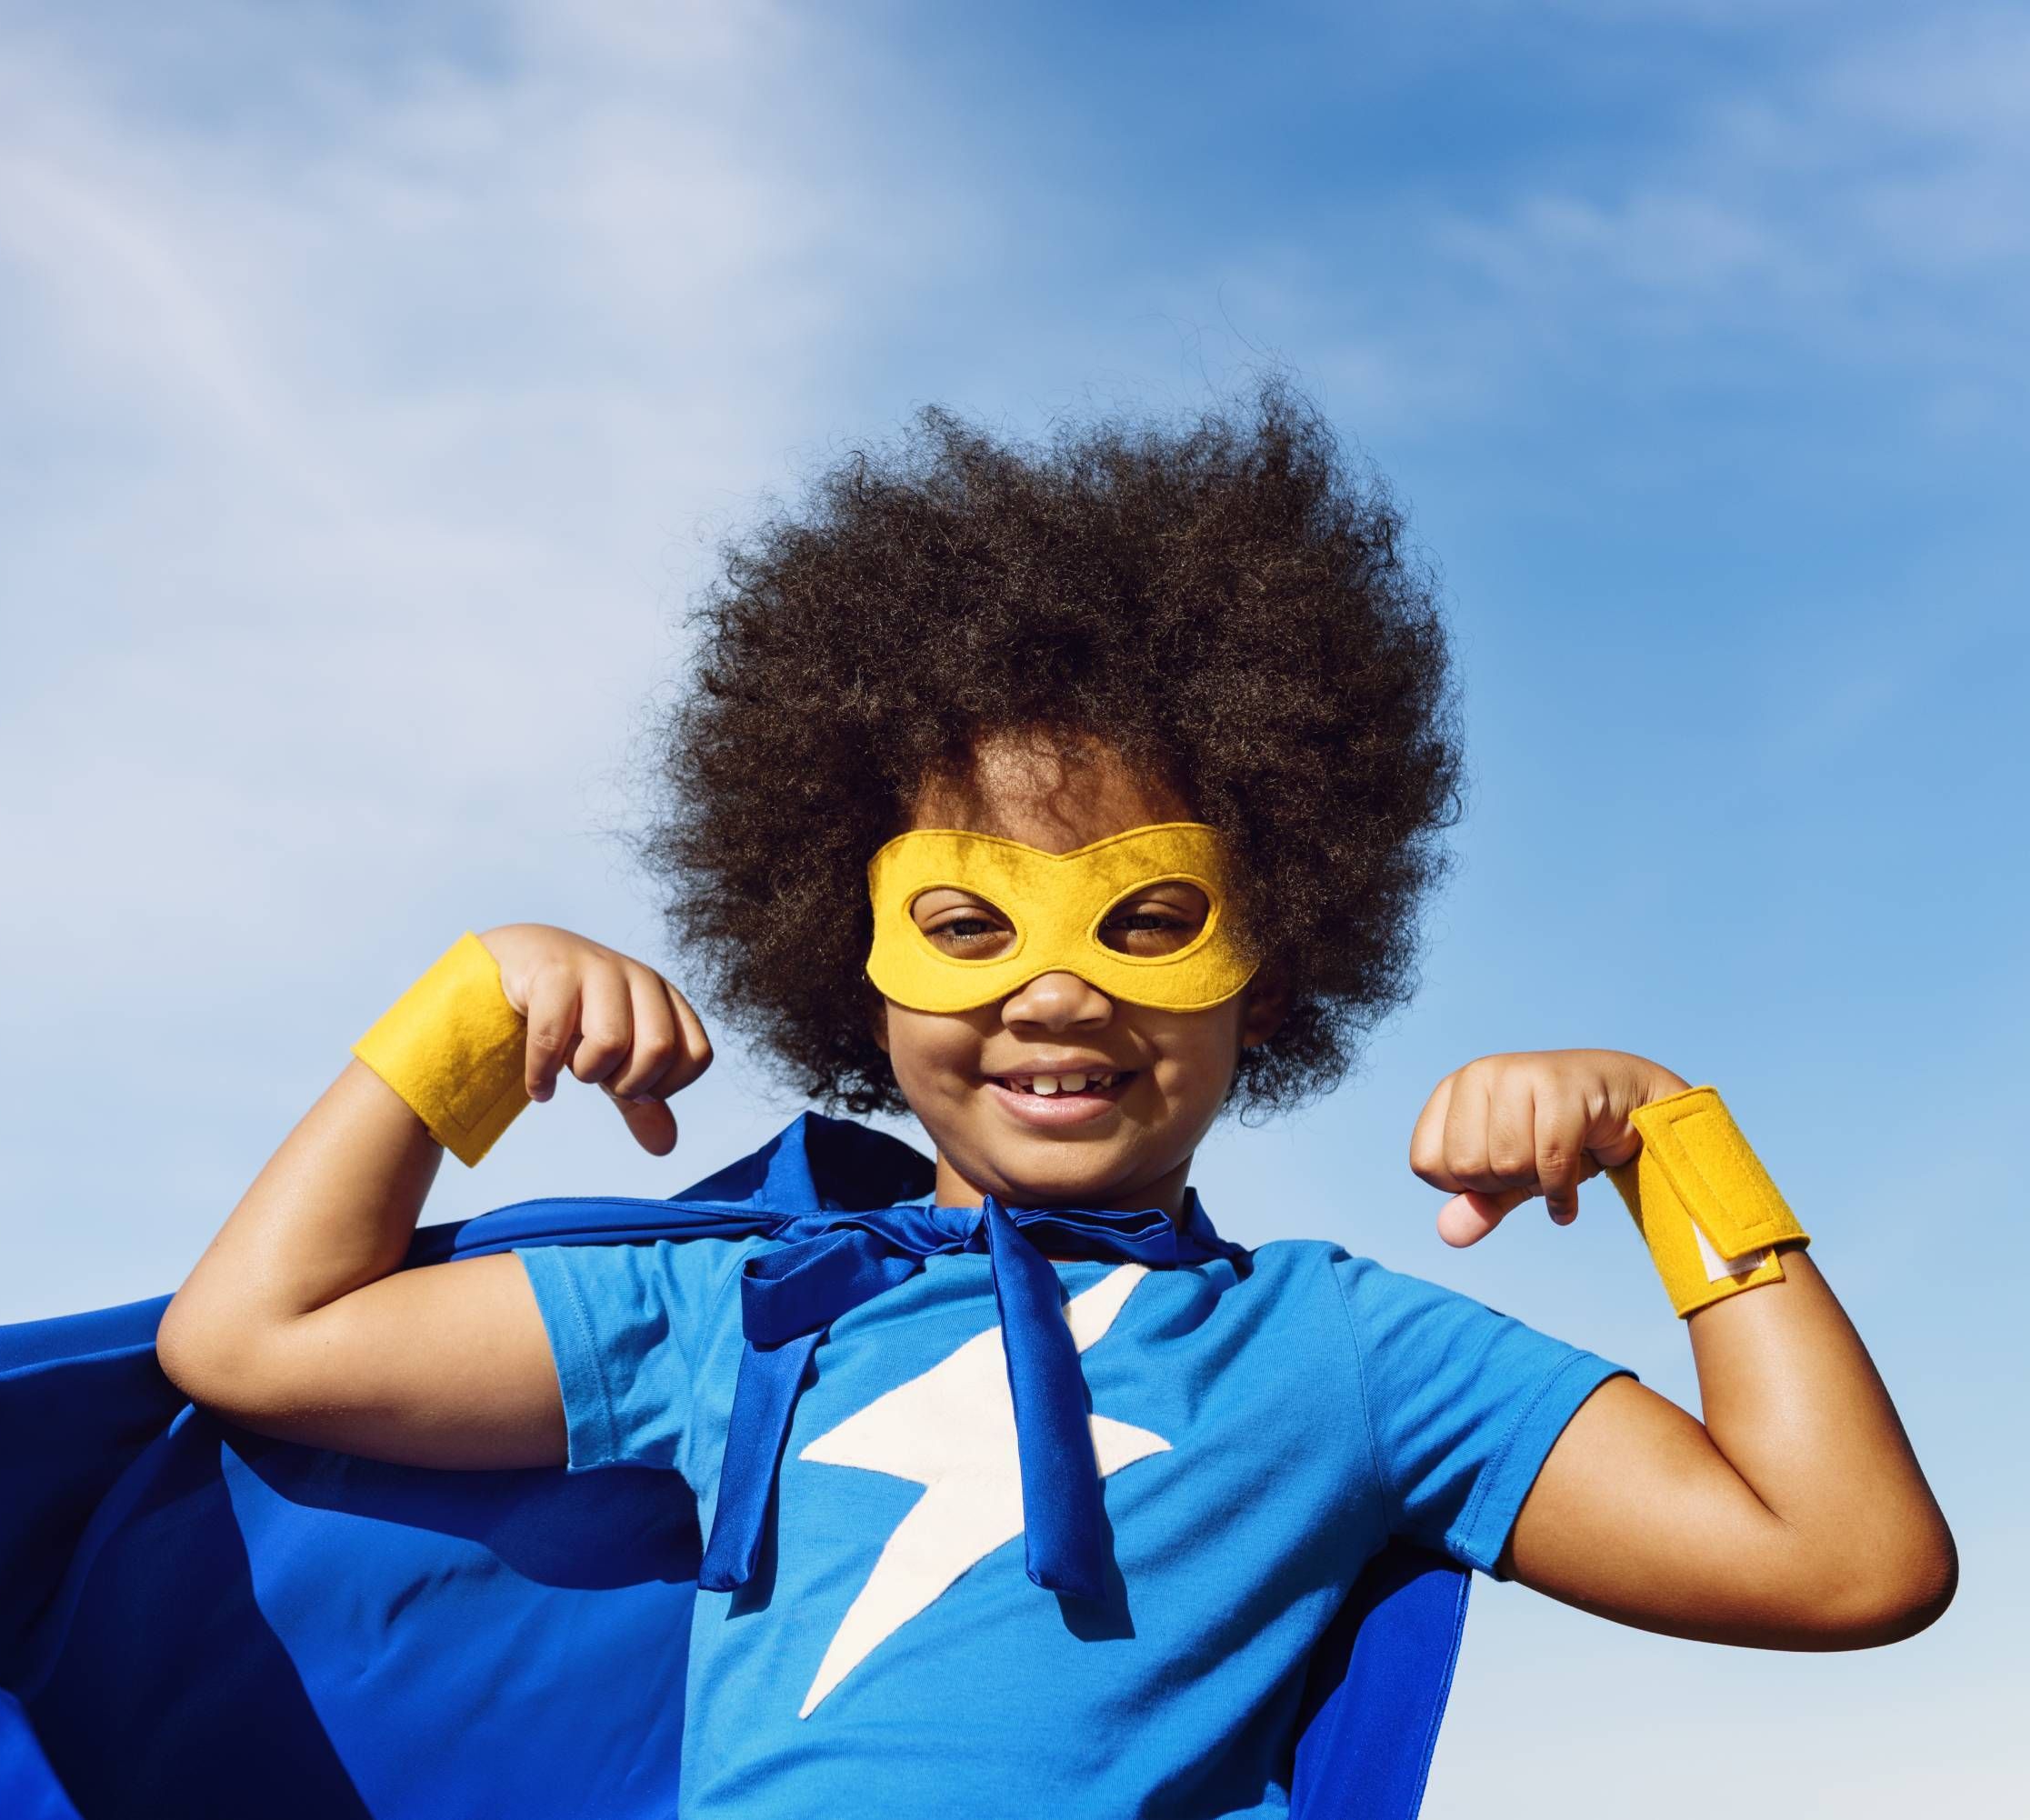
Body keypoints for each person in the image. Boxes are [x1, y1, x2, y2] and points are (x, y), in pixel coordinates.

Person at [155, 384, 1955, 1816]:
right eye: (966, 921)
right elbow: (256, 1337)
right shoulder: (750, 1309)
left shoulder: (1350, 1351)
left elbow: (1845, 1558)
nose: (1060, 985)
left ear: (1279, 947)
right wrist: (464, 1022)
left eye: (1150, 917)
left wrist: (1671, 1144)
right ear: (845, 953)